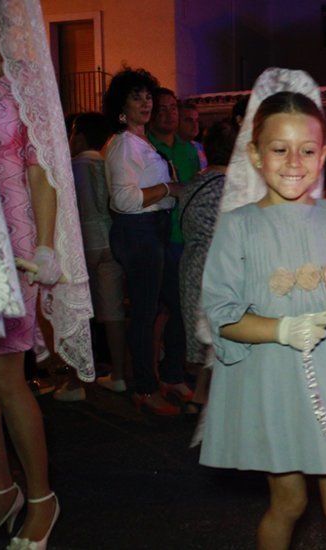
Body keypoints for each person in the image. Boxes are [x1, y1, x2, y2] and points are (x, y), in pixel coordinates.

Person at [200, 68, 326, 550]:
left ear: (323, 155)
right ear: (255, 154)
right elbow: (222, 311)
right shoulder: (238, 226)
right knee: (288, 503)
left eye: (307, 150)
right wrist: (282, 328)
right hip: (274, 381)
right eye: (278, 148)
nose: (293, 162)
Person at [0, 2, 95, 546]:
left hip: (11, 252)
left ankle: (40, 498)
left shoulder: (21, 79)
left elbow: (43, 170)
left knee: (7, 379)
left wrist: (50, 246)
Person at [103, 68, 183, 415]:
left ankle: (165, 377)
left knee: (168, 305)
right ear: (121, 107)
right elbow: (123, 200)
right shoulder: (124, 145)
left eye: (148, 96)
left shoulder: (141, 143)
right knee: (147, 310)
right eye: (136, 97)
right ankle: (145, 388)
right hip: (139, 231)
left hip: (153, 230)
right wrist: (168, 189)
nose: (146, 102)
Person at [55, 112, 127, 401]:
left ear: (80, 136)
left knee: (77, 311)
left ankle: (77, 381)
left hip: (81, 245)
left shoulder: (72, 167)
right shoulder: (108, 162)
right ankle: (119, 375)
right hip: (110, 240)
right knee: (113, 312)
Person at [148, 86, 200, 407]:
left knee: (181, 309)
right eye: (162, 108)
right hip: (157, 237)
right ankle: (154, 375)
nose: (168, 114)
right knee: (158, 310)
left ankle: (173, 373)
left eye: (172, 109)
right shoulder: (145, 147)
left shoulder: (188, 150)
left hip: (184, 238)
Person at [178, 121, 236, 411]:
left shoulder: (193, 184)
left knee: (210, 339)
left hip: (193, 264)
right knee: (228, 337)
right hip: (223, 269)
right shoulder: (234, 189)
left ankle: (201, 398)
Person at [178, 101, 207, 169]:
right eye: (189, 120)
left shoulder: (199, 147)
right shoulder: (173, 149)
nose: (195, 124)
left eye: (196, 120)